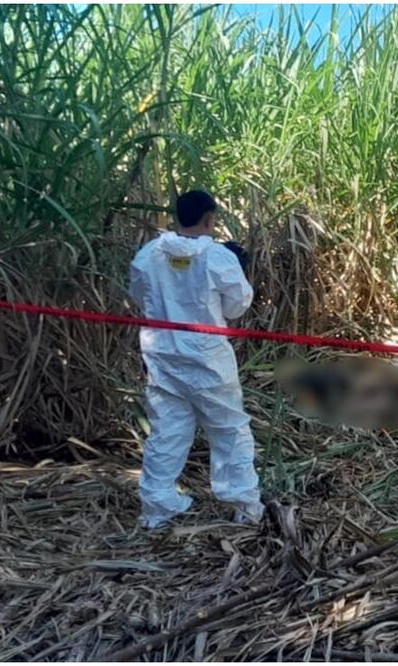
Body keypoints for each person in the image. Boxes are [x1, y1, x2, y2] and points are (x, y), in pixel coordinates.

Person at [128, 190, 264, 528]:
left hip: (163, 358)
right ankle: (245, 507)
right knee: (229, 430)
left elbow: (138, 295)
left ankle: (156, 509)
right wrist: (239, 267)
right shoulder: (218, 258)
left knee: (167, 430)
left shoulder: (149, 254)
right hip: (207, 361)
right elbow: (237, 307)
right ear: (209, 218)